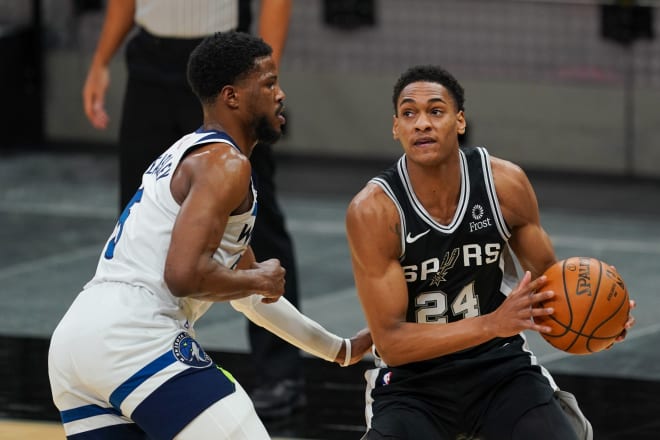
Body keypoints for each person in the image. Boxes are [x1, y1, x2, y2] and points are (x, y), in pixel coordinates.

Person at [49, 31, 372, 440]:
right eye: (269, 83)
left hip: (75, 343)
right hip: (135, 336)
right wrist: (259, 277)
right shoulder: (225, 164)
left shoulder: (190, 154)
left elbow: (252, 299)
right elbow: (183, 276)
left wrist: (339, 350)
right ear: (232, 96)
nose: (281, 94)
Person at [345, 65, 636, 440]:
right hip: (412, 383)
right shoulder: (374, 211)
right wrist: (491, 323)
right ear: (396, 128)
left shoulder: (505, 185)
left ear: (460, 121)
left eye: (435, 111)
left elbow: (551, 288)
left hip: (499, 367)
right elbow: (392, 344)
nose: (421, 123)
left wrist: (601, 318)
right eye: (408, 113)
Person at [82, 0, 306, 417]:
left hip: (223, 59)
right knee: (144, 209)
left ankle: (281, 373)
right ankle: (139, 351)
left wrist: (263, 79)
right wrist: (100, 61)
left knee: (258, 225)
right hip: (150, 61)